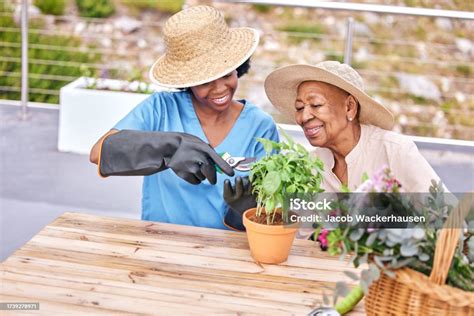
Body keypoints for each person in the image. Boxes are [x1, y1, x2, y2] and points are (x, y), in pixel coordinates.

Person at [89, 6, 279, 230]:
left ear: (238, 67)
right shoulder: (161, 109)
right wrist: (169, 148)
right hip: (160, 243)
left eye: (227, 74)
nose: (220, 89)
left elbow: (270, 210)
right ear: (188, 80)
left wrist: (244, 212)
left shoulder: (260, 127)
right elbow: (99, 152)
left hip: (228, 250)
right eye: (206, 81)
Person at [264, 60, 443, 192]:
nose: (303, 116)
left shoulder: (394, 151)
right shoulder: (312, 166)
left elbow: (449, 220)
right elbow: (301, 232)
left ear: (349, 107)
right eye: (299, 107)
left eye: (316, 105)